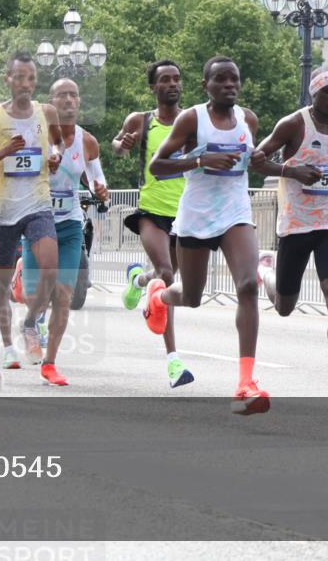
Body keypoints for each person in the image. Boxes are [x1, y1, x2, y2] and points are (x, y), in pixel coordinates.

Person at [143, 56, 270, 415]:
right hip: (197, 216)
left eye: (234, 79)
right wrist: (199, 161)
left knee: (248, 285)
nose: (229, 85)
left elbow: (251, 161)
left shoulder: (248, 120)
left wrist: (265, 162)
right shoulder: (191, 119)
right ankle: (159, 297)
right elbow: (157, 166)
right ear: (205, 86)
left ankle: (245, 383)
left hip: (235, 213)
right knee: (192, 296)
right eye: (221, 79)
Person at [250, 66, 328, 416]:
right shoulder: (293, 124)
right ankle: (265, 272)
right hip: (296, 225)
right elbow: (256, 160)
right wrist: (292, 171)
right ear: (313, 94)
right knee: (285, 306)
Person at [0, 52, 63, 392]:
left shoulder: (46, 112)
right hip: (4, 210)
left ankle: (30, 323)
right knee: (2, 285)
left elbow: (58, 142)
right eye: (19, 77)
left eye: (30, 78)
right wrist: (0, 153)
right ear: (7, 79)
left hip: (38, 204)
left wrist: (56, 155)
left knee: (51, 268)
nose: (25, 83)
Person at [20, 78, 109, 386]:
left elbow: (97, 179)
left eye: (74, 95)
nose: (69, 100)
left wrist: (102, 189)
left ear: (79, 101)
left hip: (70, 224)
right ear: (51, 102)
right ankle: (30, 321)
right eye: (62, 95)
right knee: (37, 296)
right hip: (37, 220)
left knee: (64, 294)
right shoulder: (34, 135)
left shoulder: (88, 142)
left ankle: (50, 363)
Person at [111, 60, 193, 389]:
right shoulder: (141, 120)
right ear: (153, 87)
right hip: (151, 212)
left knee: (164, 278)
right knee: (168, 276)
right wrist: (123, 145)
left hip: (185, 215)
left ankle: (138, 279)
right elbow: (117, 147)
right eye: (165, 79)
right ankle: (174, 361)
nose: (172, 84)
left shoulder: (192, 121)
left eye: (176, 79)